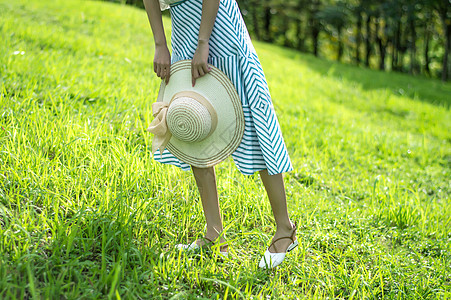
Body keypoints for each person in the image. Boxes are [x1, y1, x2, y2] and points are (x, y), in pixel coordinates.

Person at [143, 0, 297, 268]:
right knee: (194, 120)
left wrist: (204, 43)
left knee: (254, 124)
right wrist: (159, 43)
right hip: (183, 27)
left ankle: (285, 230)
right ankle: (215, 234)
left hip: (219, 26)